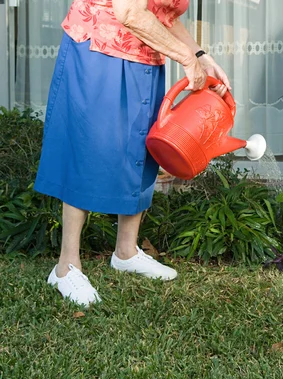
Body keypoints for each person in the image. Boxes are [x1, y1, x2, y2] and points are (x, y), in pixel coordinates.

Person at [34, 0, 231, 307]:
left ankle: (125, 252)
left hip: (145, 56)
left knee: (141, 148)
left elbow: (162, 15)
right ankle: (65, 267)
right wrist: (185, 58)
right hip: (99, 50)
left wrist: (200, 56)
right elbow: (128, 12)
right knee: (89, 150)